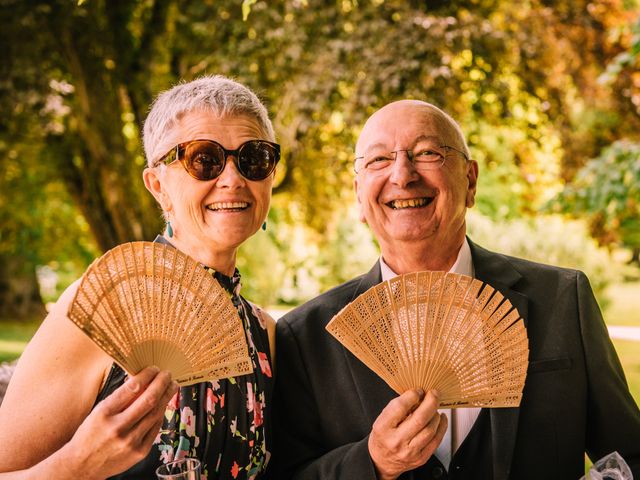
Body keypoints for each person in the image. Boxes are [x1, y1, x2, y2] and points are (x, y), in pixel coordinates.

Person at [273, 99, 640, 480]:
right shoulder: (306, 336)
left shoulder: (564, 299)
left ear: (470, 180)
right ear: (359, 196)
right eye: (378, 160)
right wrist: (373, 462)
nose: (402, 174)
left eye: (427, 152)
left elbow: (630, 455)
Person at [0, 75, 278, 479]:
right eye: (204, 159)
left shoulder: (262, 333)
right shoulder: (97, 311)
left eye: (254, 158)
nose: (233, 179)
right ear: (158, 185)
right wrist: (78, 464)